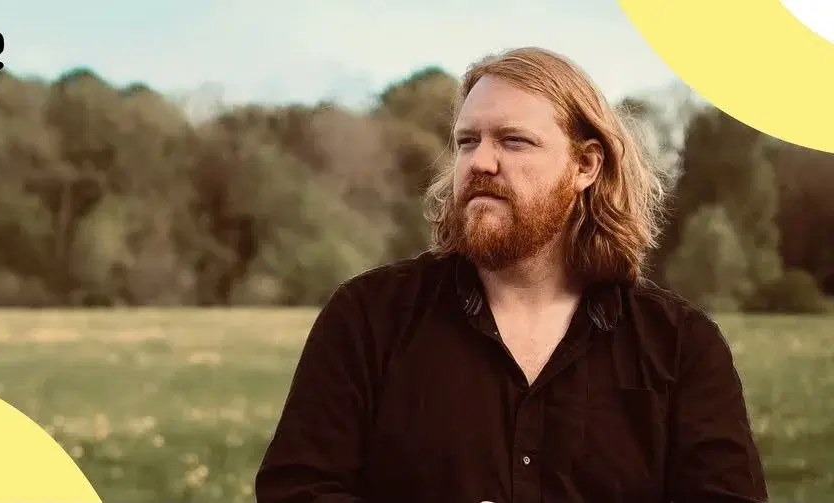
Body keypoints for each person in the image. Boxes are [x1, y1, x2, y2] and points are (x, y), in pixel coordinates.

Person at [254, 46, 768, 503]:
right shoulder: (368, 317)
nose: (480, 162)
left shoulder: (681, 346)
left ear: (586, 166)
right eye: (467, 141)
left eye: (514, 140)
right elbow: (296, 490)